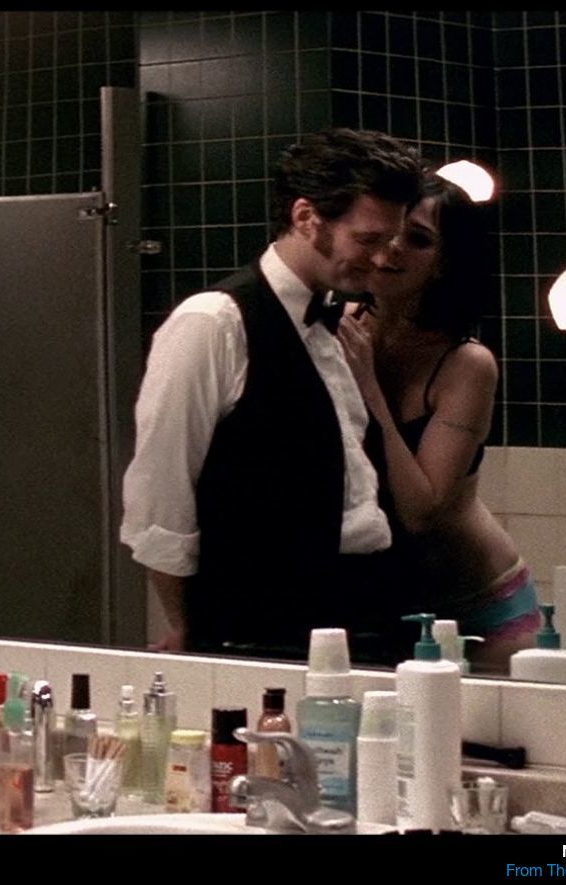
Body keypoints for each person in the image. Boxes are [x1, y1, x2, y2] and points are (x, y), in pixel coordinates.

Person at [119, 127, 425, 662]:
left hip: (366, 610)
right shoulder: (213, 323)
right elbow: (161, 497)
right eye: (367, 240)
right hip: (257, 623)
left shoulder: (338, 324)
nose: (382, 259)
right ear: (307, 218)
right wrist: (188, 627)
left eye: (391, 242)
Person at [335, 169, 540, 673]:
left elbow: (421, 511)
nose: (393, 248)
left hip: (483, 607)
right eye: (389, 230)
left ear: (445, 263)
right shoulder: (343, 324)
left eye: (419, 239)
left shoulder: (466, 364)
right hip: (389, 611)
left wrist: (370, 390)